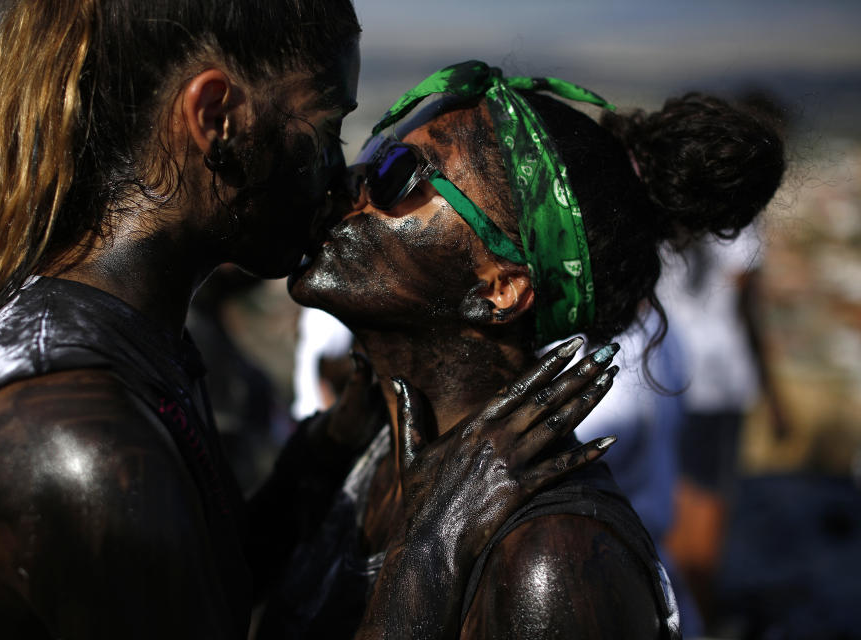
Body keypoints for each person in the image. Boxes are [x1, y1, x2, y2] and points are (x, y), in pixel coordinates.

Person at [0, 5, 617, 639]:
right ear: (216, 120)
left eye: (394, 171)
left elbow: (198, 580)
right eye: (330, 125)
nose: (342, 174)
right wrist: (432, 545)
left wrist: (320, 460)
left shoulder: (133, 344)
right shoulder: (79, 445)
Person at [274, 60, 786, 637]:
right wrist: (314, 462)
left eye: (397, 172)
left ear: (500, 287)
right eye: (375, 152)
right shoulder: (366, 454)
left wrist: (429, 551)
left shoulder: (553, 562)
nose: (353, 181)